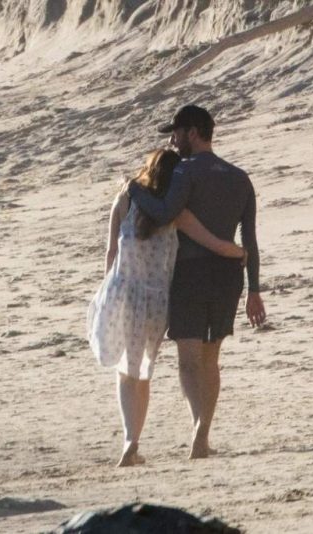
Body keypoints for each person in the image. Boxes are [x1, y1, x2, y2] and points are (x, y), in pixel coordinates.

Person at [87, 148, 246, 467]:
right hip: (157, 301)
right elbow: (212, 243)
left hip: (123, 292)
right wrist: (240, 252)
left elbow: (110, 253)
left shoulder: (124, 200)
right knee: (143, 370)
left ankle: (130, 441)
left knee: (126, 371)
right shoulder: (176, 213)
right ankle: (179, 434)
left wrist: (107, 290)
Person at [128, 105, 266, 459]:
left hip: (189, 273)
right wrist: (254, 289)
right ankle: (202, 433)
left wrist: (133, 189)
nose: (173, 142)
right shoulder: (240, 178)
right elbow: (249, 240)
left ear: (192, 132)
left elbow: (165, 213)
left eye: (175, 134)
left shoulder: (184, 171)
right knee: (211, 358)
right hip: (228, 275)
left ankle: (198, 431)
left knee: (188, 359)